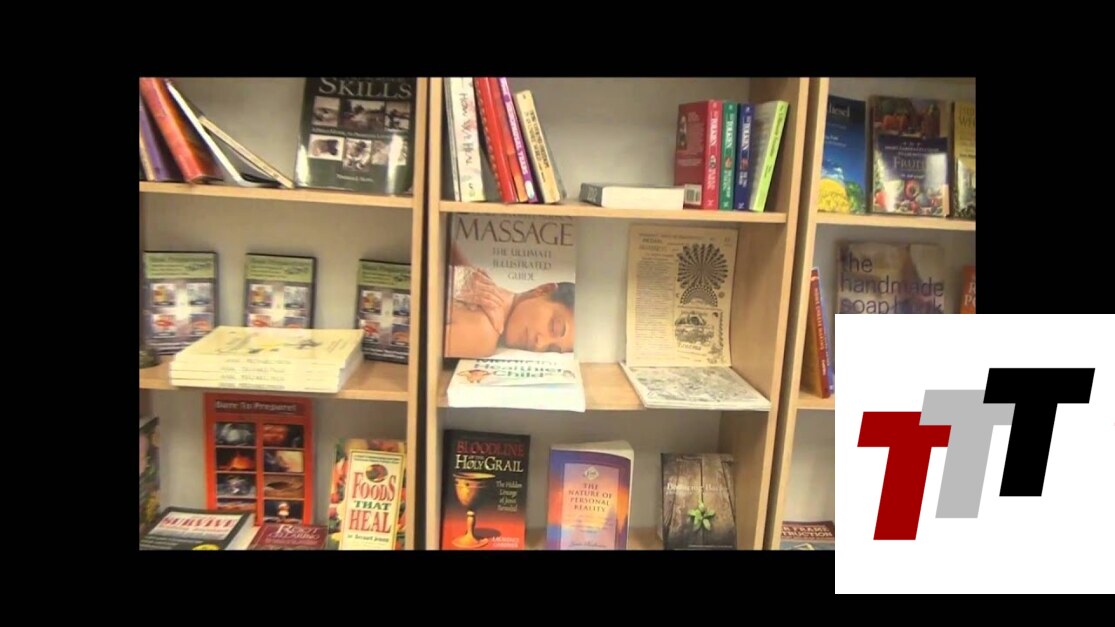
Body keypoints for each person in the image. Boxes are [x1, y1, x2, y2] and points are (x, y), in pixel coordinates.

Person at [445, 244, 574, 359]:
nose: (539, 344)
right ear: (544, 290)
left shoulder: (470, 280)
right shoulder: (484, 334)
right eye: (554, 327)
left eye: (551, 349)